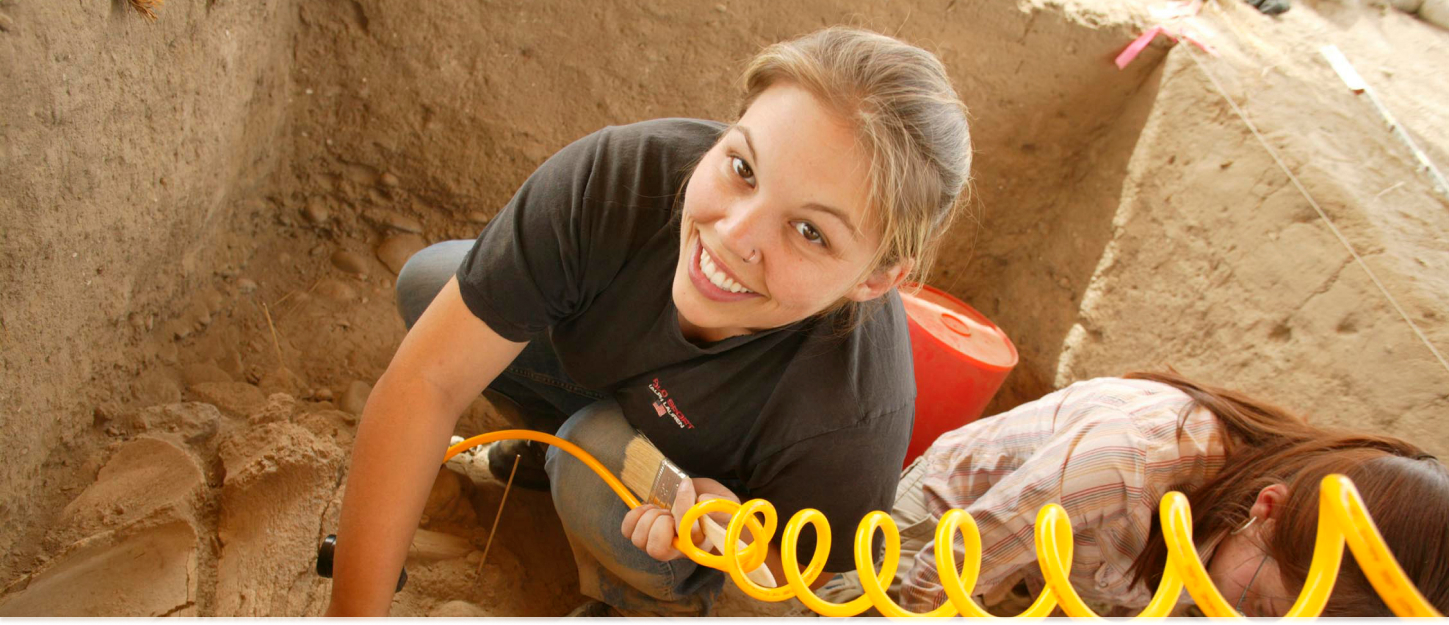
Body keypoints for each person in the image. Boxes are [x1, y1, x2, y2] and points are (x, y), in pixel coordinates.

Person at [322, 27, 973, 616]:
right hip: (616, 382)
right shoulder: (616, 177)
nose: (732, 234)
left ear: (875, 278)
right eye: (742, 167)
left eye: (808, 231)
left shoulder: (856, 407)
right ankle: (545, 447)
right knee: (434, 281)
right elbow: (426, 383)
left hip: (670, 501)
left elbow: (799, 582)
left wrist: (735, 540)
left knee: (592, 457)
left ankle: (636, 596)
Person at [817, 371, 1449, 617]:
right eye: (1259, 608)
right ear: (1268, 509)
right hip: (955, 526)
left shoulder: (1242, 563)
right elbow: (946, 574)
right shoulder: (1131, 461)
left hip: (1079, 575)